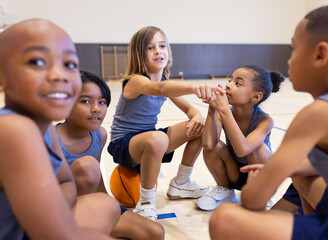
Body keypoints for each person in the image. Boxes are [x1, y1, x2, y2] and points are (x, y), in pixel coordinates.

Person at [0, 19, 164, 240]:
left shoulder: (45, 126)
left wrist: (61, 206)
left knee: (131, 218)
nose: (60, 75)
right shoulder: (13, 128)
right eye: (37, 61)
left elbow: (67, 182)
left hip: (53, 216)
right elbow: (54, 232)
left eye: (69, 64)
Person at [209, 2, 328, 240]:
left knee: (225, 220)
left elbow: (252, 200)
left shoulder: (318, 113)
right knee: (301, 172)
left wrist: (261, 182)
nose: (288, 62)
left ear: (321, 54)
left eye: (294, 49)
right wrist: (280, 168)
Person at [107, 26, 224, 221]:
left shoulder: (164, 81)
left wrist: (195, 115)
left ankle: (181, 182)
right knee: (159, 137)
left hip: (152, 139)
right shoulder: (135, 81)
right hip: (124, 144)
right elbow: (161, 89)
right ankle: (145, 202)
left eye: (162, 46)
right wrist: (195, 87)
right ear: (138, 55)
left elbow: (190, 110)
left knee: (200, 126)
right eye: (150, 48)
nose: (158, 51)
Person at [196, 65, 284, 211]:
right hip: (235, 173)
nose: (228, 85)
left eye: (238, 83)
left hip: (259, 174)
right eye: (230, 80)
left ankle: (264, 196)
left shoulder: (265, 121)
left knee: (258, 149)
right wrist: (213, 111)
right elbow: (208, 144)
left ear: (255, 97)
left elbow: (244, 150)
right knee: (214, 147)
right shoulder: (223, 113)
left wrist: (223, 110)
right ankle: (225, 191)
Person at [56, 70, 110, 195]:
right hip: (57, 206)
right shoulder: (49, 141)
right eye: (85, 101)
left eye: (102, 102)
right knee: (87, 166)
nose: (96, 109)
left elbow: (96, 176)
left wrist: (106, 200)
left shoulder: (100, 135)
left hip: (86, 202)